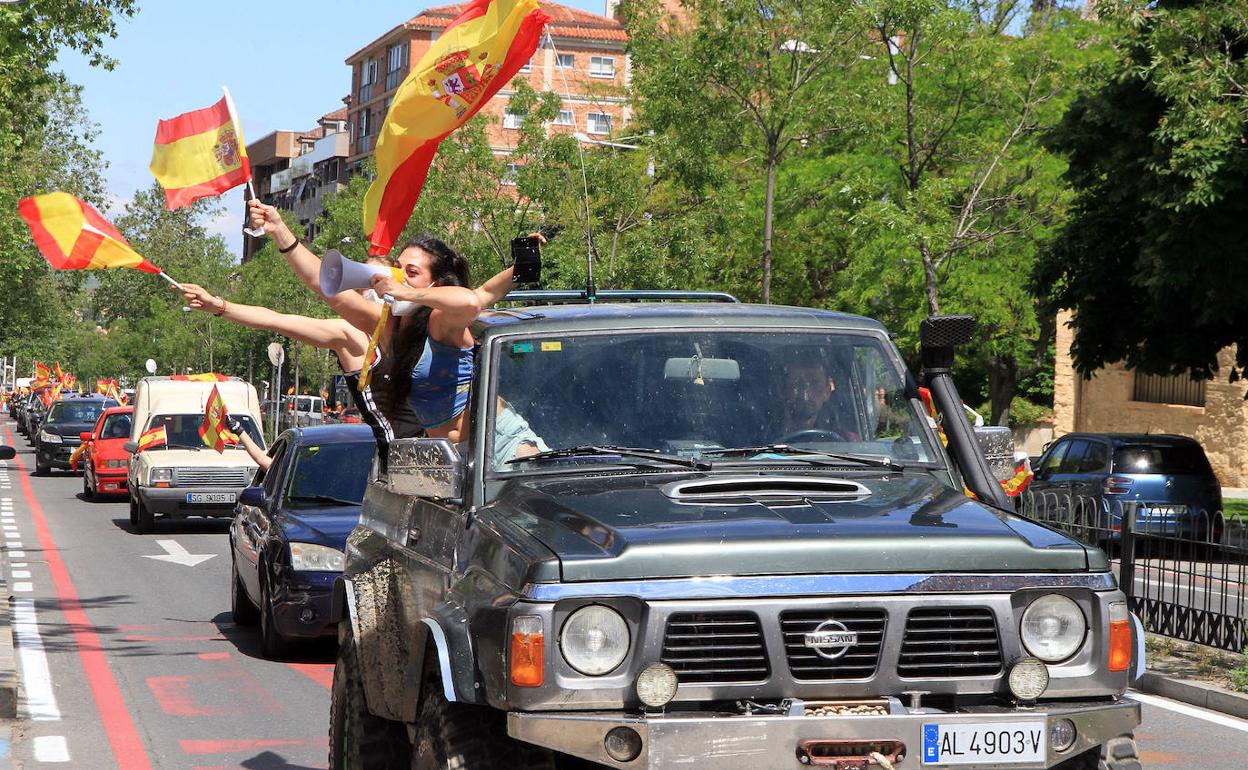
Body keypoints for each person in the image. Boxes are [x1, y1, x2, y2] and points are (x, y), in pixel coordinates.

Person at [247, 200, 533, 446]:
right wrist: (280, 229)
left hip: (501, 445)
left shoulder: (440, 321)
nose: (399, 277)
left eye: (411, 272)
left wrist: (409, 293)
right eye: (398, 269)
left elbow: (473, 300)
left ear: (437, 283)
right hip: (452, 458)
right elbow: (321, 283)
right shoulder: (388, 325)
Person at [176, 282, 419, 471]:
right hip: (405, 468)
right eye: (365, 286)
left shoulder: (433, 332)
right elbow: (277, 320)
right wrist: (220, 306)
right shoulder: (356, 337)